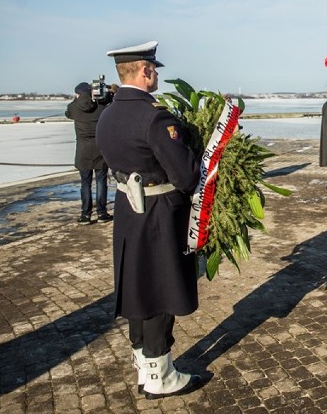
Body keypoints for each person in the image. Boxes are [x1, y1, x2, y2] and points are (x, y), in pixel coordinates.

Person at [95, 41, 202, 399]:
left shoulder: (108, 113)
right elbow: (186, 176)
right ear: (145, 71)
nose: (155, 75)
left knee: (137, 284)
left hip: (128, 208)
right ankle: (160, 374)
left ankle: (143, 360)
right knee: (159, 287)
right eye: (154, 69)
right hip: (158, 212)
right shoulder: (154, 116)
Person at [65, 81, 112, 224]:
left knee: (85, 183)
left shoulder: (74, 107)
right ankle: (102, 213)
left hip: (83, 151)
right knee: (101, 181)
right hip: (99, 149)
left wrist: (76, 100)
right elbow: (110, 105)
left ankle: (85, 214)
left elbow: (68, 113)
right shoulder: (101, 106)